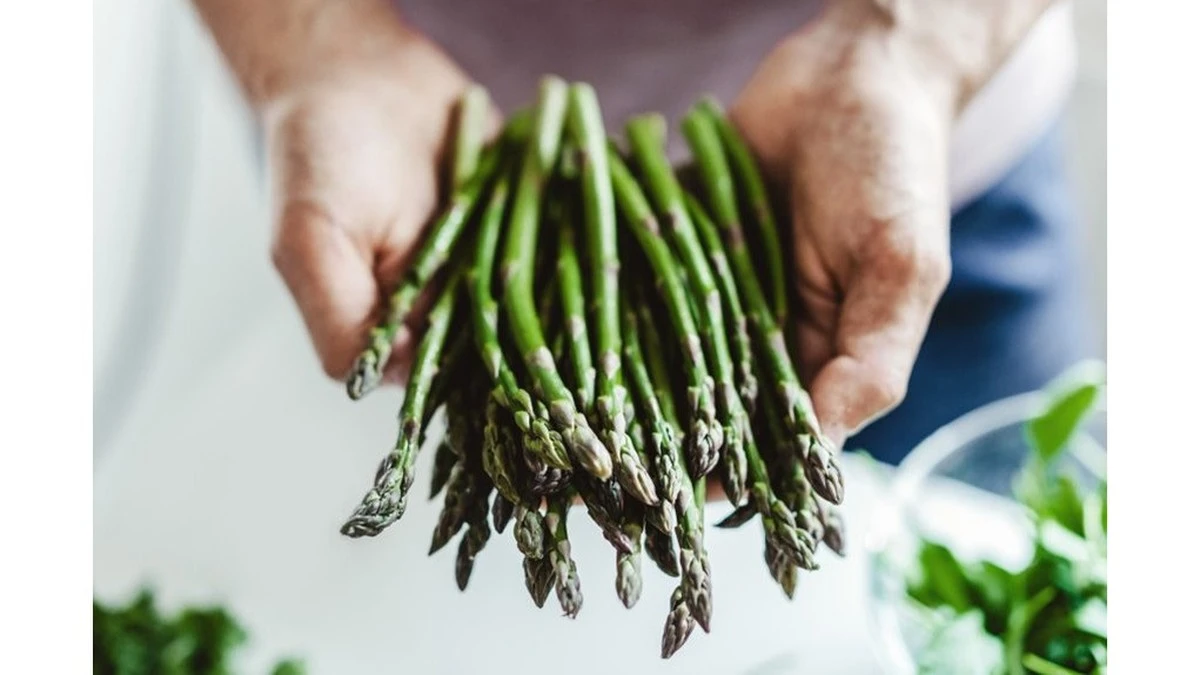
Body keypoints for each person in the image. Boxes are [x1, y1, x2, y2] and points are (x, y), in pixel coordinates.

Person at [191, 0, 1098, 465]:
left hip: (906, 158)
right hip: (407, 175)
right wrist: (314, 47)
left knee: (1014, 539)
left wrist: (905, 50)